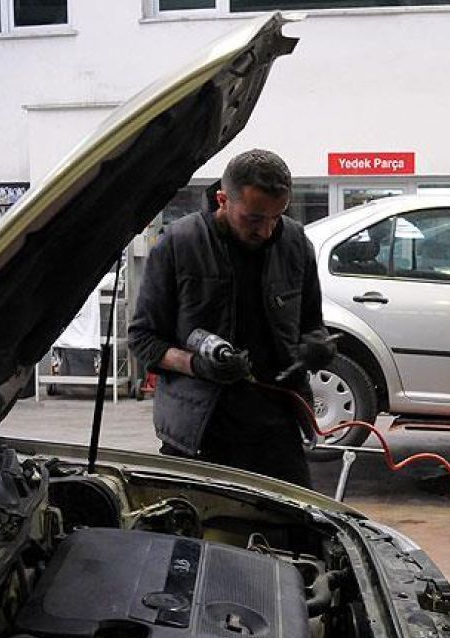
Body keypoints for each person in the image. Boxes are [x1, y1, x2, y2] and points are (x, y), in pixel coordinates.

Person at [128, 149, 335, 488]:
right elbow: (143, 339)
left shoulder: (295, 242)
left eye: (276, 217)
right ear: (223, 199)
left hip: (277, 430)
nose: (267, 231)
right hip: (200, 434)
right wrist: (197, 365)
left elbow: (312, 324)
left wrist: (316, 346)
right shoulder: (179, 244)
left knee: (296, 534)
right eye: (254, 219)